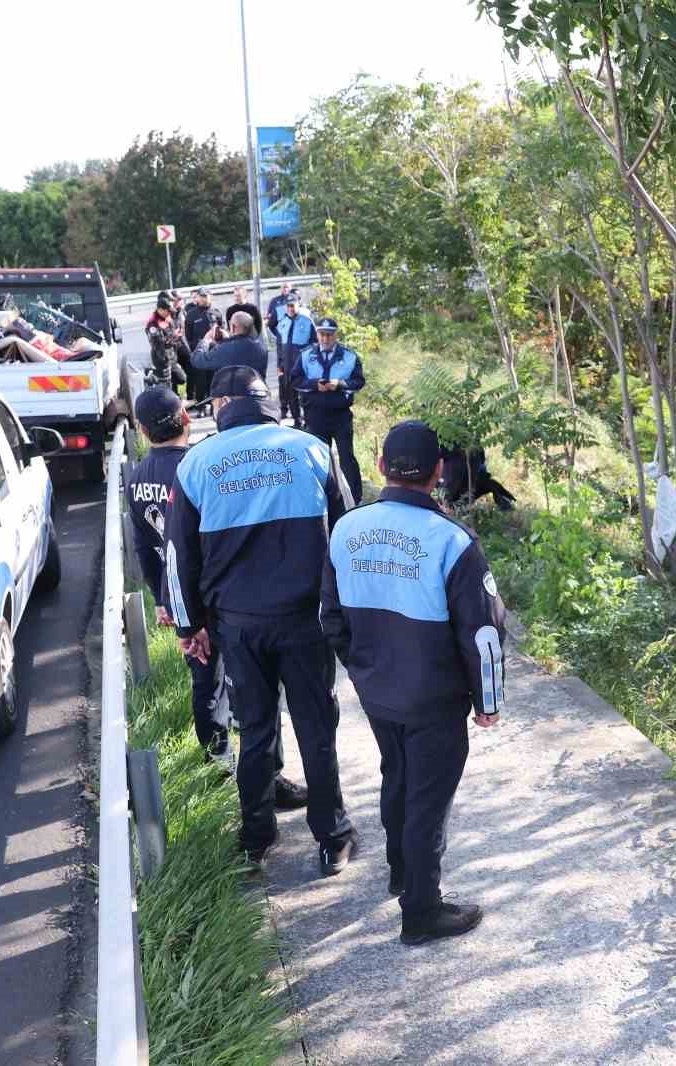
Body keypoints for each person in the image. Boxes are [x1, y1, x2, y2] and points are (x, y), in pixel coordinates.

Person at [320, 420, 506, 945]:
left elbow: (329, 614)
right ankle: (421, 912)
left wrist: (362, 666)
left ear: (380, 466)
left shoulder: (347, 528)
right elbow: (484, 633)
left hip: (378, 693)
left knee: (397, 778)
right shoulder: (452, 541)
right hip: (435, 698)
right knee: (428, 799)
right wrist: (487, 701)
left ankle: (402, 873)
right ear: (439, 473)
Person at [164, 365, 356, 869]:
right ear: (267, 400)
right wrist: (348, 615)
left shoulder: (197, 464)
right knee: (317, 727)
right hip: (305, 620)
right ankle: (332, 837)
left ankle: (256, 838)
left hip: (239, 625)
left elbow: (179, 556)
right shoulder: (313, 449)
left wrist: (190, 628)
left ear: (221, 407)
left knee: (255, 728)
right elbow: (347, 534)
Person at [127, 386, 309, 807]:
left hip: (180, 602)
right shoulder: (200, 467)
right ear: (187, 420)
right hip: (220, 600)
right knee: (253, 695)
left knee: (205, 685)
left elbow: (145, 549)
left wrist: (165, 602)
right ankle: (267, 779)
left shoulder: (137, 478)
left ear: (141, 429)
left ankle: (219, 767)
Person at [290, 317, 365, 504]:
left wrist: (339, 384)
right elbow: (295, 380)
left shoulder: (349, 356)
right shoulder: (307, 355)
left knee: (346, 457)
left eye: (329, 335)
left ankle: (355, 497)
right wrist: (315, 385)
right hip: (315, 415)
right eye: (322, 334)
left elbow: (359, 382)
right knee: (317, 457)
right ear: (317, 335)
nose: (325, 339)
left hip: (340, 416)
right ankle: (318, 496)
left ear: (335, 335)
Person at [270, 291, 315, 428]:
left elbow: (315, 342)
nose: (290, 308)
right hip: (287, 365)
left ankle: (308, 421)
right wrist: (279, 364)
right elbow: (279, 345)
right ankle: (297, 420)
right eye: (288, 306)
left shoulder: (307, 321)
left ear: (298, 305)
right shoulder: (282, 323)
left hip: (302, 365)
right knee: (291, 395)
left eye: (292, 305)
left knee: (305, 395)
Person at [193, 310, 267, 380]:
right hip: (256, 390)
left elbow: (197, 360)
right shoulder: (261, 348)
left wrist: (205, 341)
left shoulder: (224, 349)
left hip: (231, 391)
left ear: (233, 327)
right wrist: (228, 339)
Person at [439, 444, 515, 511]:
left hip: (459, 491)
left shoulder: (473, 446)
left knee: (489, 483)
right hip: (455, 493)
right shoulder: (472, 444)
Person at [183, 288, 221, 401]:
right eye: (202, 296)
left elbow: (221, 331)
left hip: (214, 352)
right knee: (200, 380)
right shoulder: (191, 315)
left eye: (206, 296)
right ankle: (201, 406)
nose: (204, 298)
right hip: (200, 353)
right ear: (198, 298)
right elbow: (188, 336)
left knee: (214, 378)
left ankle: (213, 404)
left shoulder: (216, 312)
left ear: (210, 297)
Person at [145, 296, 188, 389]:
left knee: (181, 378)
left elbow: (173, 333)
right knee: (167, 385)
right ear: (160, 309)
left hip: (172, 355)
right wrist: (174, 337)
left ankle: (156, 378)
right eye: (167, 311)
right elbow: (158, 344)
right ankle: (153, 377)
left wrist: (177, 337)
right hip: (162, 358)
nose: (169, 313)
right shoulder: (153, 324)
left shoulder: (167, 318)